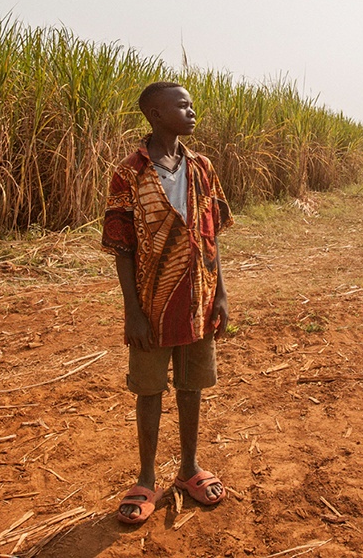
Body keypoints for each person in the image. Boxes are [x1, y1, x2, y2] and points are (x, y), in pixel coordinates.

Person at [101, 81, 233, 525]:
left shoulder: (202, 168)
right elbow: (122, 248)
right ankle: (146, 477)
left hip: (197, 297)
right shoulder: (129, 173)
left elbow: (211, 237)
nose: (192, 111)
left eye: (192, 104)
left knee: (192, 385)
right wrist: (133, 312)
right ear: (155, 114)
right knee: (149, 388)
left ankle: (189, 468)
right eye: (182, 105)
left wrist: (221, 294)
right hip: (151, 303)